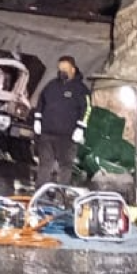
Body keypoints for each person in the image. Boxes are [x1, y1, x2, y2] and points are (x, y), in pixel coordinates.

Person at [32, 55, 92, 188]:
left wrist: (81, 127)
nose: (62, 72)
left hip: (68, 136)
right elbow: (41, 101)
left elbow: (87, 109)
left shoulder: (81, 89)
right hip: (47, 133)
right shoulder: (52, 85)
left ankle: (61, 193)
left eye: (65, 69)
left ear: (73, 69)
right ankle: (40, 192)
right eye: (60, 69)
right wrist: (37, 119)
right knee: (45, 164)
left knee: (65, 166)